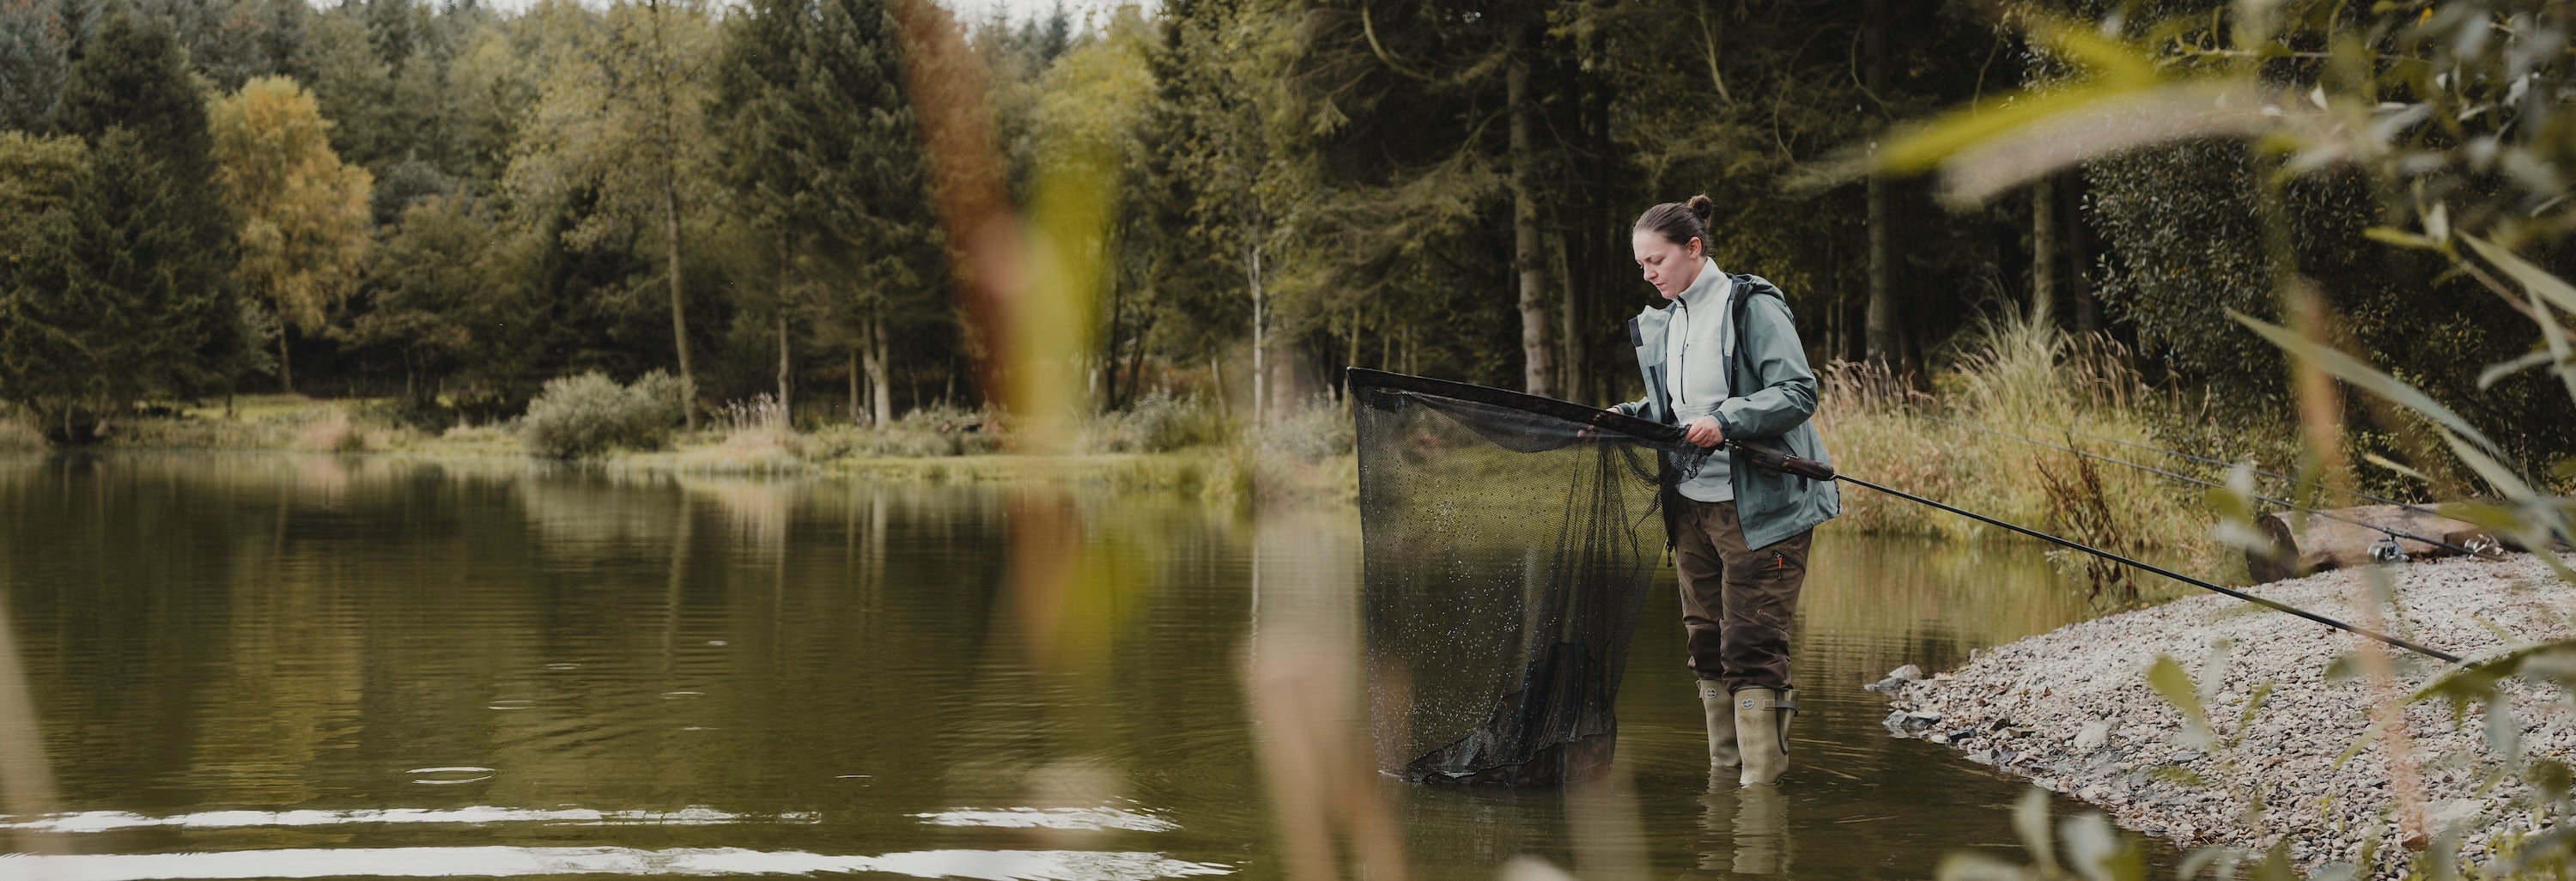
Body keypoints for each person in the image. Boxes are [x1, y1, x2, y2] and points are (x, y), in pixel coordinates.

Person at [1608, 194, 1840, 787]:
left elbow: (1796, 391)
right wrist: (1624, 416)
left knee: (1751, 648)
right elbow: (1673, 410)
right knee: (1707, 647)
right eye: (1641, 265)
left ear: (1694, 249)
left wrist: (1728, 420)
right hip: (1692, 510)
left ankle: (1759, 801)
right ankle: (1724, 785)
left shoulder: (1750, 305)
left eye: (1656, 260)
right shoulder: (1663, 321)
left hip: (1765, 510)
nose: (1648, 273)